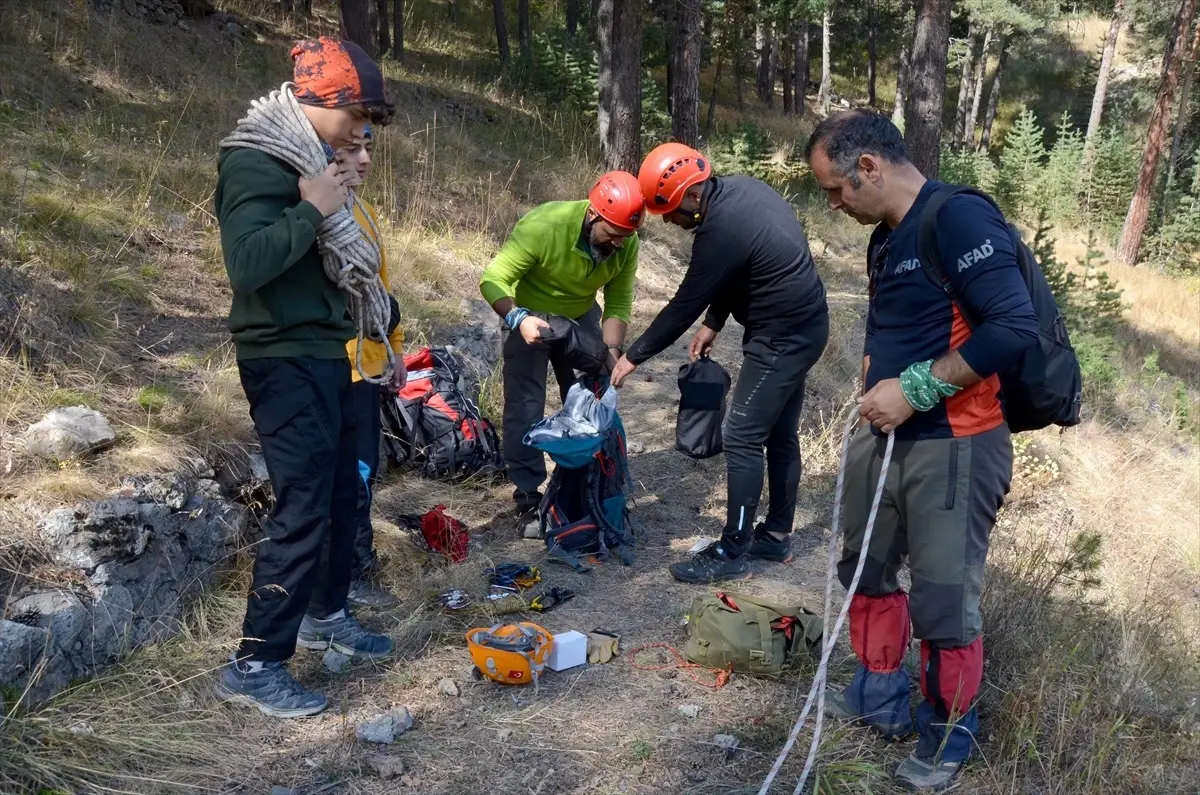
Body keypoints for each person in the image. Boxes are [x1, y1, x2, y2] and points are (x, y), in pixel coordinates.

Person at [804, 109, 1038, 790]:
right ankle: (879, 694)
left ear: (868, 166)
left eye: (836, 189)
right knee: (865, 567)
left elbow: (1013, 325)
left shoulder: (957, 218)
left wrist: (914, 387)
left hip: (956, 444)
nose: (834, 204)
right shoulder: (887, 235)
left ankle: (947, 730)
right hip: (884, 436)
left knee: (942, 599)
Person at [212, 37, 397, 719]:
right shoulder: (256, 161)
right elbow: (248, 264)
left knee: (346, 491)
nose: (364, 130)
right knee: (301, 506)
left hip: (330, 349)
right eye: (358, 114)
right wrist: (313, 205)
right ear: (323, 101)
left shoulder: (318, 159)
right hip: (281, 356)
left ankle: (327, 612)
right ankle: (255, 663)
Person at [609, 143, 829, 585]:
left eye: (670, 212)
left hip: (779, 339)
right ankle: (777, 535)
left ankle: (732, 550)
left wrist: (633, 356)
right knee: (780, 435)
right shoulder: (744, 192)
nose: (671, 222)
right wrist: (715, 322)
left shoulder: (719, 228)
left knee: (743, 436)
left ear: (692, 196)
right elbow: (739, 267)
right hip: (806, 326)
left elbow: (682, 304)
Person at [479, 171, 644, 535]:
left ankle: (586, 482)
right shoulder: (544, 225)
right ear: (594, 215)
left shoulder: (626, 243)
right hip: (530, 316)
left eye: (625, 236)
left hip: (580, 315)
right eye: (612, 234)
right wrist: (519, 319)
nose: (618, 244)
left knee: (592, 394)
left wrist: (611, 350)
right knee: (524, 403)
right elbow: (493, 279)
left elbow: (618, 301)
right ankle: (527, 496)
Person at [337, 127, 406, 609]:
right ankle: (351, 571)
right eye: (350, 150)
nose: (363, 160)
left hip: (370, 367)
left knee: (365, 470)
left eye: (368, 151)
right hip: (334, 367)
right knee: (351, 475)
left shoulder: (366, 212)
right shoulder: (324, 215)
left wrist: (396, 349)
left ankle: (358, 562)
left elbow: (383, 294)